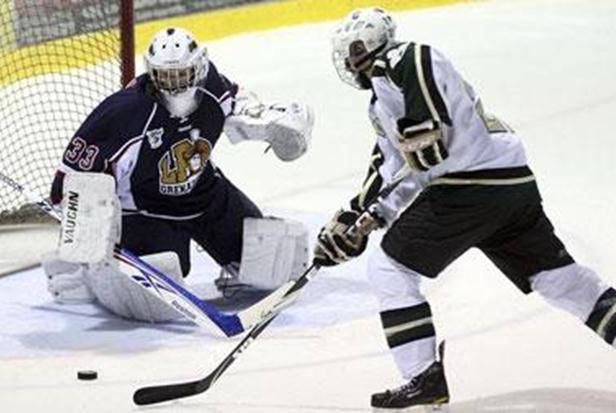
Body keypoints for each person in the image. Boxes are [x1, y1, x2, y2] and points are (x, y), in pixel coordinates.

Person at [315, 7, 616, 409]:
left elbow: (423, 101)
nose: (349, 62)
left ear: (365, 48)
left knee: (390, 267)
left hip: (469, 187)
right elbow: (396, 168)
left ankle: (423, 377)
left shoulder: (406, 60)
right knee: (559, 280)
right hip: (509, 185)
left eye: (352, 52)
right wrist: (362, 216)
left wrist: (424, 124)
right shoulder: (381, 103)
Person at [42, 27, 314, 323]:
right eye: (166, 76)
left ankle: (229, 267)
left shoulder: (212, 85)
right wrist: (85, 230)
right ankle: (82, 272)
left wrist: (275, 121)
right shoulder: (125, 112)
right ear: (152, 73)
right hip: (146, 212)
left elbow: (238, 104)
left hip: (205, 196)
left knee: (275, 264)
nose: (175, 84)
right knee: (158, 295)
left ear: (199, 67)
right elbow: (69, 180)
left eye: (182, 74)